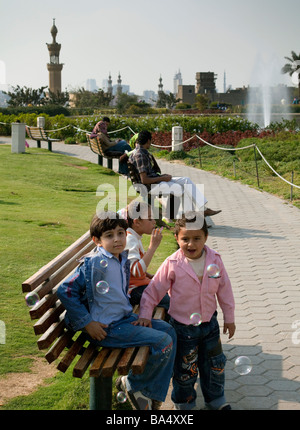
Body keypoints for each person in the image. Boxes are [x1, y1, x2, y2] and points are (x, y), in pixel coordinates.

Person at [57, 211, 177, 410]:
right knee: (163, 342)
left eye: (120, 233)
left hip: (123, 320)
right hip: (106, 329)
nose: (117, 239)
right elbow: (65, 290)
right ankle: (136, 387)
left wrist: (135, 316)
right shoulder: (95, 264)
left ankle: (149, 391)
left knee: (168, 330)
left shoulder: (121, 259)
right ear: (97, 240)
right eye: (109, 235)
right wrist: (87, 323)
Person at [134, 212, 235, 410]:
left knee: (215, 365)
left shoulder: (215, 260)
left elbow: (225, 291)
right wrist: (145, 314)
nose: (191, 244)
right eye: (185, 239)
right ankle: (184, 402)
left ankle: (215, 399)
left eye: (197, 238)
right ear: (176, 238)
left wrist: (229, 318)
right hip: (182, 328)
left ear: (205, 237)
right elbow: (153, 291)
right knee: (185, 369)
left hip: (210, 325)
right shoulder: (173, 263)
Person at [128, 130, 221, 221]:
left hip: (155, 182)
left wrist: (163, 176)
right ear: (148, 140)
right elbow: (144, 180)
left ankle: (202, 209)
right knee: (182, 189)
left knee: (186, 181)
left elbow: (150, 174)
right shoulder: (140, 155)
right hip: (149, 186)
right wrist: (163, 178)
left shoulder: (140, 152)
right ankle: (190, 219)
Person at [124, 200, 170, 312]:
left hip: (139, 286)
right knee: (170, 300)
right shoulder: (130, 240)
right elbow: (137, 271)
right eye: (150, 219)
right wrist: (152, 247)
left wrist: (151, 276)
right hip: (133, 291)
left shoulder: (134, 237)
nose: (154, 222)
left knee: (171, 290)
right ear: (137, 222)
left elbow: (135, 271)